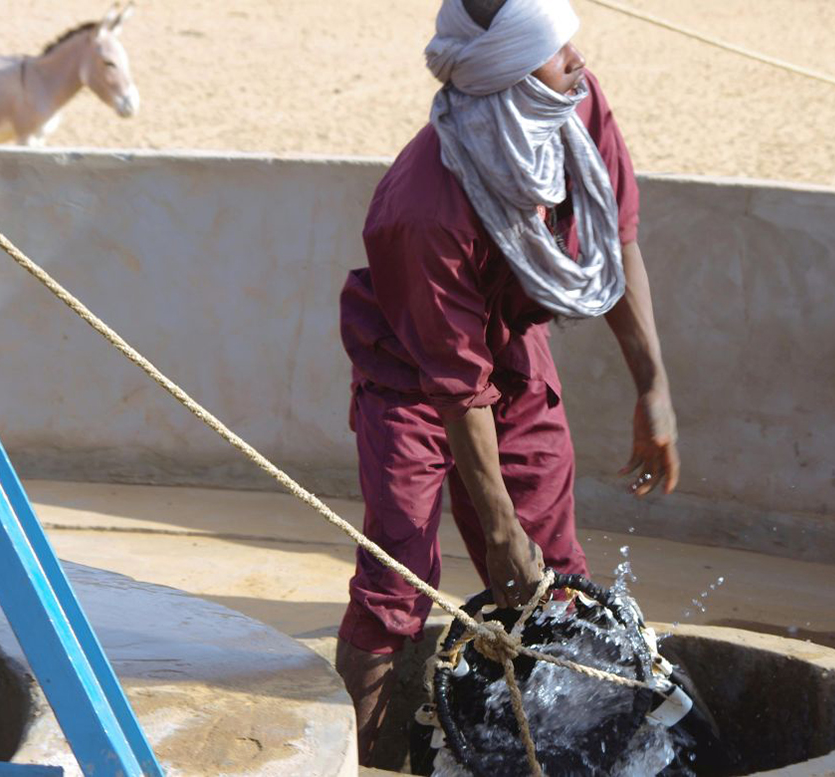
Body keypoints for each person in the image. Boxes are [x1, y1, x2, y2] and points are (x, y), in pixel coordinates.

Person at [334, 0, 680, 764]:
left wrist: (651, 390)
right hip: (411, 374)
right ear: (513, 78)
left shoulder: (576, 110)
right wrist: (497, 533)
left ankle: (563, 751)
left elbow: (616, 243)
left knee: (555, 573)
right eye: (559, 58)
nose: (579, 66)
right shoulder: (423, 207)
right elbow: (455, 386)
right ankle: (364, 754)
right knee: (398, 575)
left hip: (512, 348)